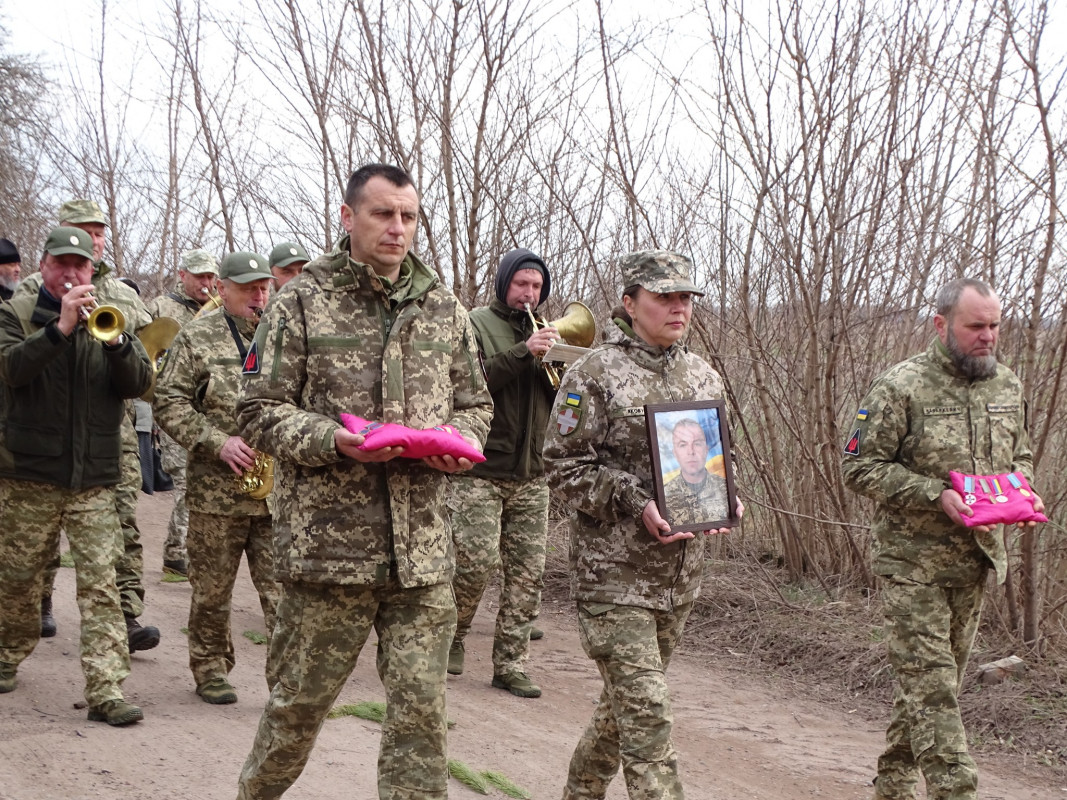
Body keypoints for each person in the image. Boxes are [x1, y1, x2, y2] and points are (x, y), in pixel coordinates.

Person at [234, 163, 493, 800]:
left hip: (423, 556)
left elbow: (476, 404)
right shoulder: (301, 301)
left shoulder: (442, 306)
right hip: (329, 555)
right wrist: (332, 440)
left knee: (420, 718)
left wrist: (461, 443)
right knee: (297, 709)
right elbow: (258, 411)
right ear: (349, 217)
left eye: (408, 216)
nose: (397, 228)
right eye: (383, 214)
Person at [544, 249, 741, 800]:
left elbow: (718, 458)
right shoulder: (593, 374)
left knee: (621, 713)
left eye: (686, 298)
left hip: (679, 578)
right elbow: (562, 467)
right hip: (614, 579)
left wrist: (726, 496)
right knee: (647, 717)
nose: (679, 308)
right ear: (630, 304)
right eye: (664, 297)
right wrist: (635, 501)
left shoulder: (701, 374)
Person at [842, 278, 1042, 800]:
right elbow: (859, 468)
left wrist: (1020, 496)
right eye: (976, 326)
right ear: (941, 324)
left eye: (994, 326)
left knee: (932, 688)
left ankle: (893, 785)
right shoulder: (900, 386)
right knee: (932, 691)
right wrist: (935, 494)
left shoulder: (1007, 386)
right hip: (912, 566)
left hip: (975, 563)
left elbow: (1019, 458)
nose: (988, 336)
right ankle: (956, 790)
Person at [0, 226, 152, 725]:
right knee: (18, 580)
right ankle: (6, 654)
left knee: (101, 586)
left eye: (80, 265)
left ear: (92, 270)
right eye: (61, 263)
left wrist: (117, 344)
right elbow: (10, 371)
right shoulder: (16, 313)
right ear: (44, 265)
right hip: (29, 475)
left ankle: (106, 690)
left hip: (95, 479)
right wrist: (59, 329)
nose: (70, 273)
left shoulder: (111, 314)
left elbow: (140, 383)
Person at [154, 251, 280, 705]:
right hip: (216, 495)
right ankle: (210, 668)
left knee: (283, 596)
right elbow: (167, 400)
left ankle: (287, 681)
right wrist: (216, 442)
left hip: (275, 496)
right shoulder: (197, 336)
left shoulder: (283, 335)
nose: (258, 296)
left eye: (263, 287)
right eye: (248, 289)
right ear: (222, 289)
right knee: (211, 592)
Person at [446, 247, 557, 698]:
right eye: (521, 284)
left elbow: (561, 404)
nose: (529, 293)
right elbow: (470, 382)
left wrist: (562, 369)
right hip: (482, 469)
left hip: (532, 472)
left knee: (528, 574)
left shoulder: (549, 331)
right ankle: (453, 636)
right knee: (473, 564)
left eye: (536, 286)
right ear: (504, 283)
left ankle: (510, 664)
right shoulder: (475, 323)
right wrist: (523, 352)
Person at [147, 248, 221, 577]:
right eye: (199, 276)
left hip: (210, 410)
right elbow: (147, 355)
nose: (206, 283)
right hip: (176, 409)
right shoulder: (161, 307)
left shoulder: (220, 308)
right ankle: (177, 552)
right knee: (185, 484)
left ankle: (184, 550)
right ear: (183, 275)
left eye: (210, 277)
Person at [662, 418, 728, 528]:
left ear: (706, 449)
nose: (691, 451)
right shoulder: (664, 495)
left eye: (697, 444)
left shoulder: (725, 489)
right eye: (683, 445)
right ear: (675, 453)